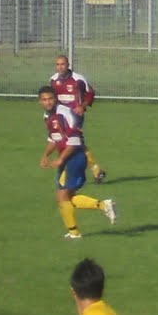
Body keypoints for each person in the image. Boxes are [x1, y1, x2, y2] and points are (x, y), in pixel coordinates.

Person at [39, 84, 116, 239]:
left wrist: (61, 159)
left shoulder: (64, 113)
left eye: (50, 98)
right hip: (67, 159)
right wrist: (45, 155)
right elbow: (53, 139)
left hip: (74, 157)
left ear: (56, 98)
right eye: (44, 100)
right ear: (40, 101)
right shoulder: (47, 116)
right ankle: (103, 205)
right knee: (68, 196)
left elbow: (74, 140)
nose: (48, 102)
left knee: (62, 196)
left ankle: (75, 233)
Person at [50, 54, 106, 184]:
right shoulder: (53, 80)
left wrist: (82, 106)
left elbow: (90, 93)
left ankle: (64, 178)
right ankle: (96, 170)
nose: (60, 67)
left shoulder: (78, 79)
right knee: (75, 145)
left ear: (68, 65)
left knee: (71, 144)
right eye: (57, 64)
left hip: (75, 117)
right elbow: (51, 98)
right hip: (60, 118)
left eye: (62, 64)